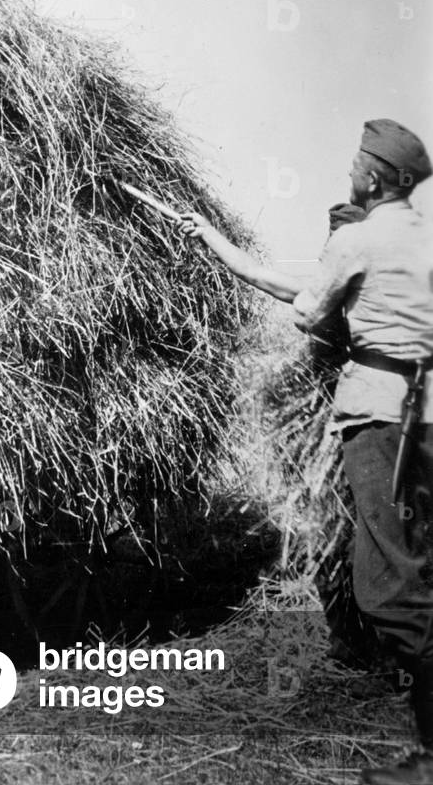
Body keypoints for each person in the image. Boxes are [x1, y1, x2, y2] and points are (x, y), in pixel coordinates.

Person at [180, 119, 433, 785]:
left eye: (355, 162)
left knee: (385, 592)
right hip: (425, 416)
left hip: (379, 421)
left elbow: (306, 309)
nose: (348, 170)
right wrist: (214, 242)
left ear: (375, 177)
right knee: (415, 565)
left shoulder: (355, 238)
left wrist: (232, 256)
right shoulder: (420, 241)